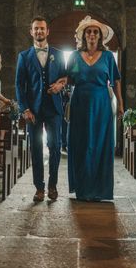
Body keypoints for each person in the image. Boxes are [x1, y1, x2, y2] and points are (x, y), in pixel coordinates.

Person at [65, 16, 123, 201]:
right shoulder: (74, 56)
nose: (91, 34)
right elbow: (69, 78)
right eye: (88, 31)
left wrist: (121, 104)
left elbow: (115, 81)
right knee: (81, 144)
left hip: (101, 104)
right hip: (80, 102)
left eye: (95, 32)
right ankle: (83, 188)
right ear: (84, 36)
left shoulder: (107, 57)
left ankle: (99, 190)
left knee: (100, 144)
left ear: (100, 36)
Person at [15, 17, 66, 202]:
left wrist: (61, 85)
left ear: (47, 31)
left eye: (42, 29)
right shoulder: (24, 56)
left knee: (55, 146)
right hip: (33, 110)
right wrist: (25, 109)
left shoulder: (58, 54)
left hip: (53, 108)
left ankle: (52, 185)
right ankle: (39, 188)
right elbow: (19, 85)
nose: (39, 32)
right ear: (31, 32)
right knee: (36, 148)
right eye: (36, 29)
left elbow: (65, 76)